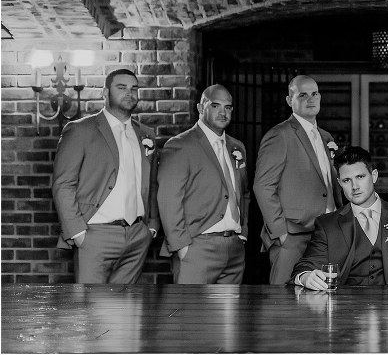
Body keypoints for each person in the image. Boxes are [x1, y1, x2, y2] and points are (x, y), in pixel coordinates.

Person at [52, 68, 158, 283]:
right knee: (90, 310)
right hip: (95, 234)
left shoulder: (146, 134)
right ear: (105, 92)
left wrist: (152, 227)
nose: (129, 93)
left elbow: (153, 182)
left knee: (126, 311)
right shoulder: (80, 130)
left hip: (138, 234)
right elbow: (63, 184)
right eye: (121, 88)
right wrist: (78, 234)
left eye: (134, 88)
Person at [292, 146, 388, 289]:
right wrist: (305, 277)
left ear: (374, 176)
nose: (355, 186)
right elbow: (305, 267)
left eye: (360, 177)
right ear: (339, 183)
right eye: (347, 180)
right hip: (345, 311)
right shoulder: (327, 225)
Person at [253, 75, 344, 284]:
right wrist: (281, 232)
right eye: (303, 95)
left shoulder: (326, 137)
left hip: (327, 233)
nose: (310, 99)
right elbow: (263, 186)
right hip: (293, 235)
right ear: (289, 100)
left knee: (322, 299)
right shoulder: (279, 135)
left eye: (315, 94)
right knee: (285, 302)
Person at [157, 84, 250, 284]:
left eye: (228, 107)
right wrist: (182, 246)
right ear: (201, 108)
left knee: (230, 315)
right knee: (192, 314)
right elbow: (168, 199)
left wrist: (243, 233)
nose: (223, 112)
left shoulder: (237, 146)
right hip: (197, 247)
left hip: (234, 247)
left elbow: (244, 193)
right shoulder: (180, 145)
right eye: (216, 106)